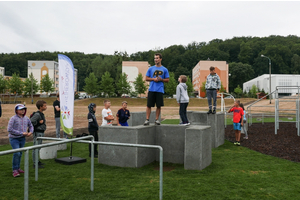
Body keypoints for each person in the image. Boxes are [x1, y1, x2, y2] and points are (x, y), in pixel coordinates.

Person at [7, 104, 33, 177]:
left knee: (20, 153)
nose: (23, 110)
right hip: (14, 138)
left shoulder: (26, 118)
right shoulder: (13, 118)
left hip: (22, 138)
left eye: (24, 109)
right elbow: (9, 129)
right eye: (21, 109)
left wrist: (31, 132)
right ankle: (14, 170)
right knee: (17, 153)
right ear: (16, 110)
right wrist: (21, 133)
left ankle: (18, 168)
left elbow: (31, 126)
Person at [144, 53, 170, 125]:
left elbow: (167, 80)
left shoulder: (164, 69)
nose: (156, 60)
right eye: (155, 58)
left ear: (160, 59)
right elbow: (146, 78)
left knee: (158, 105)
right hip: (152, 89)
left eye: (157, 58)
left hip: (160, 90)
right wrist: (153, 79)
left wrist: (161, 79)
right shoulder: (151, 68)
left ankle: (156, 119)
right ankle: (147, 119)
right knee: (149, 105)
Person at [30, 100, 47, 168]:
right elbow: (30, 121)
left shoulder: (41, 114)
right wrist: (38, 123)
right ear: (40, 107)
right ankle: (35, 163)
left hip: (41, 132)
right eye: (44, 106)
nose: (46, 107)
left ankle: (37, 161)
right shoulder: (37, 114)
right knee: (36, 148)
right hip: (38, 133)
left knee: (38, 147)